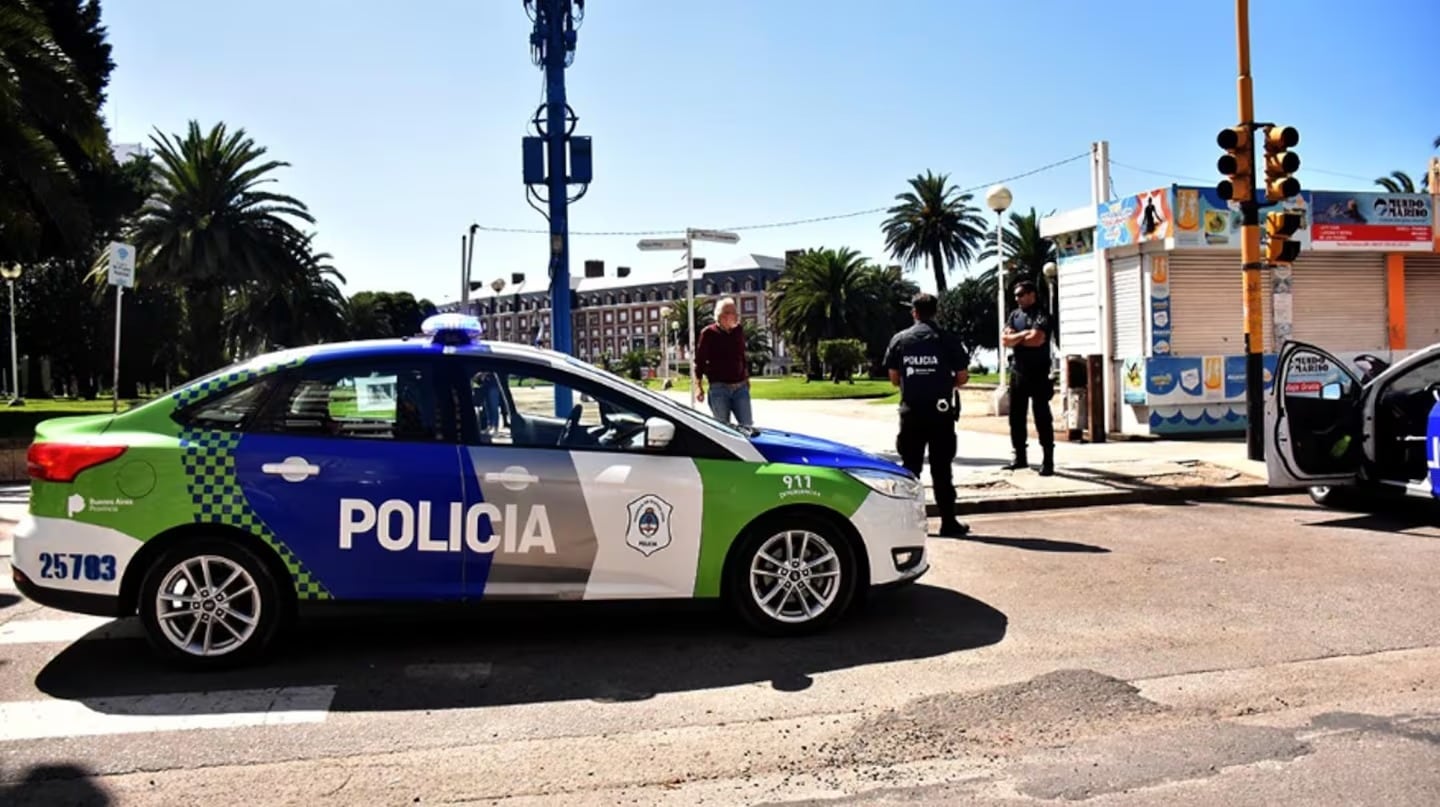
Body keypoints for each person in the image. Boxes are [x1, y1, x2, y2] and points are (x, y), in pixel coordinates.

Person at [883, 292, 970, 538]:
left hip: (911, 412)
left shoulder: (900, 340)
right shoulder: (947, 339)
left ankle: (906, 524)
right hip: (940, 412)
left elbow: (893, 379)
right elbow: (962, 376)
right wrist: (943, 382)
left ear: (914, 312)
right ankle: (948, 522)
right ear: (935, 312)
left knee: (910, 469)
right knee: (942, 469)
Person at [1002, 278, 1056, 475]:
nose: (1017, 299)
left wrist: (1019, 338)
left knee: (1041, 416)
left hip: (1039, 373)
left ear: (1032, 295)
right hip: (1018, 373)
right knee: (1016, 417)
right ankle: (1020, 457)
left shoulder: (1041, 314)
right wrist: (1023, 334)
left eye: (1021, 294)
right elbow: (1005, 340)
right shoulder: (1014, 315)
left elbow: (1037, 339)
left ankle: (1048, 460)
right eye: (1016, 295)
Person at [694, 296, 753, 427]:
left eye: (734, 312)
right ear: (720, 315)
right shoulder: (708, 333)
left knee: (747, 426)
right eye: (729, 312)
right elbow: (700, 361)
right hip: (719, 388)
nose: (733, 316)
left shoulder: (738, 330)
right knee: (723, 428)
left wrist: (746, 378)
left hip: (740, 387)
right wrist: (698, 386)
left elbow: (741, 355)